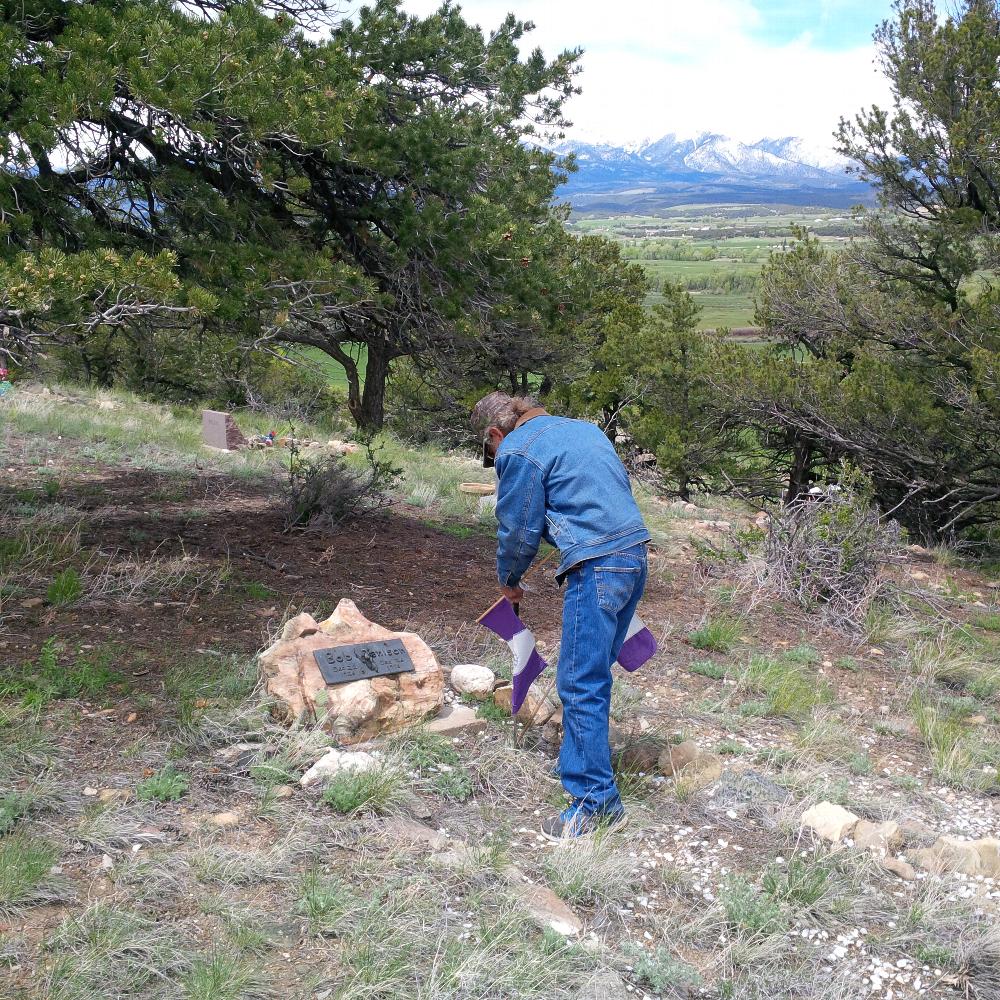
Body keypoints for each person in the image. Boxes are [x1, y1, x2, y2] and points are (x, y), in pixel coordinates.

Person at [471, 391, 650, 839]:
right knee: (590, 675)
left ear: (495, 434)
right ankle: (585, 756)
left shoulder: (519, 449)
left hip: (597, 567)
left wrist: (509, 579)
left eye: (490, 453)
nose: (497, 459)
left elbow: (519, 526)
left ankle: (595, 803)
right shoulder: (586, 430)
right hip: (634, 555)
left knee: (579, 681)